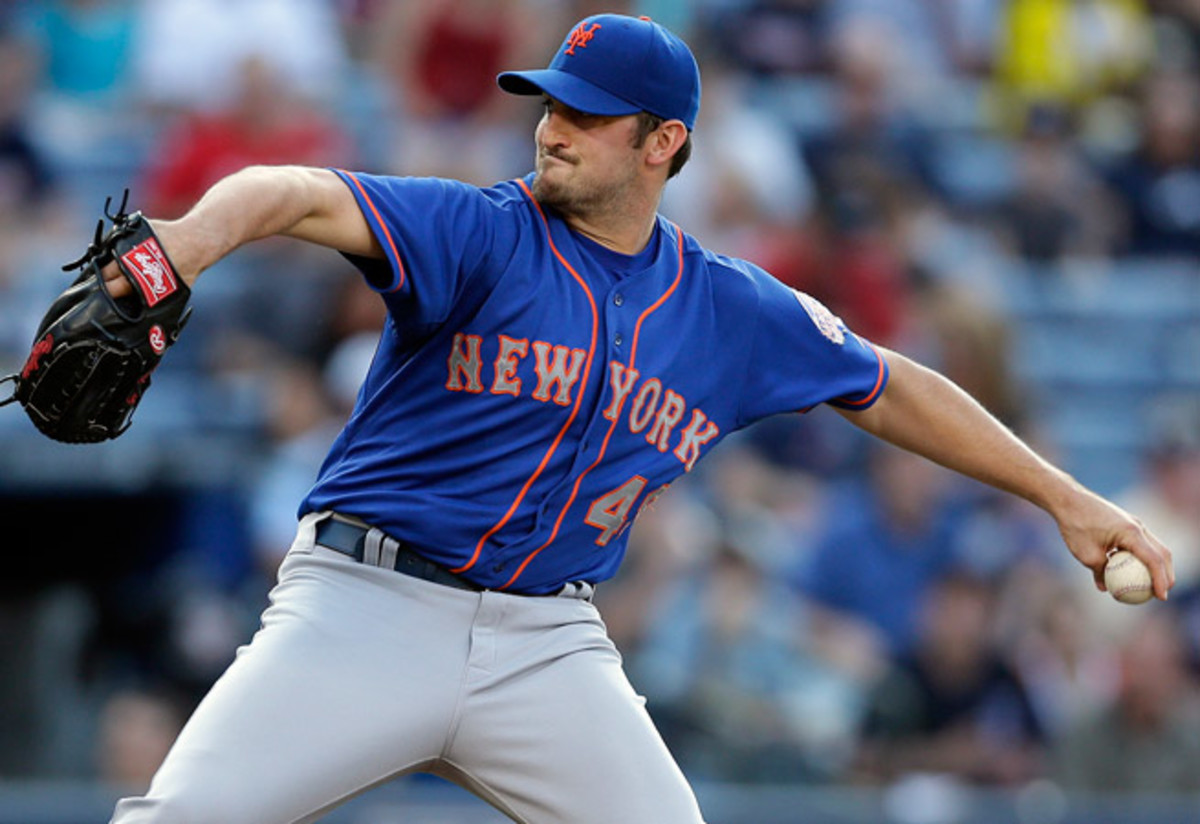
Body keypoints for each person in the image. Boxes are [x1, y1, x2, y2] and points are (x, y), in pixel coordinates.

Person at [102, 14, 1173, 824]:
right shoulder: (481, 230)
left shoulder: (725, 306)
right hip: (368, 603)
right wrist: (179, 247)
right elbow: (289, 192)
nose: (552, 127)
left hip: (547, 642)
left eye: (584, 112)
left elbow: (888, 384)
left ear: (664, 142)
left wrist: (1066, 499)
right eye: (548, 102)